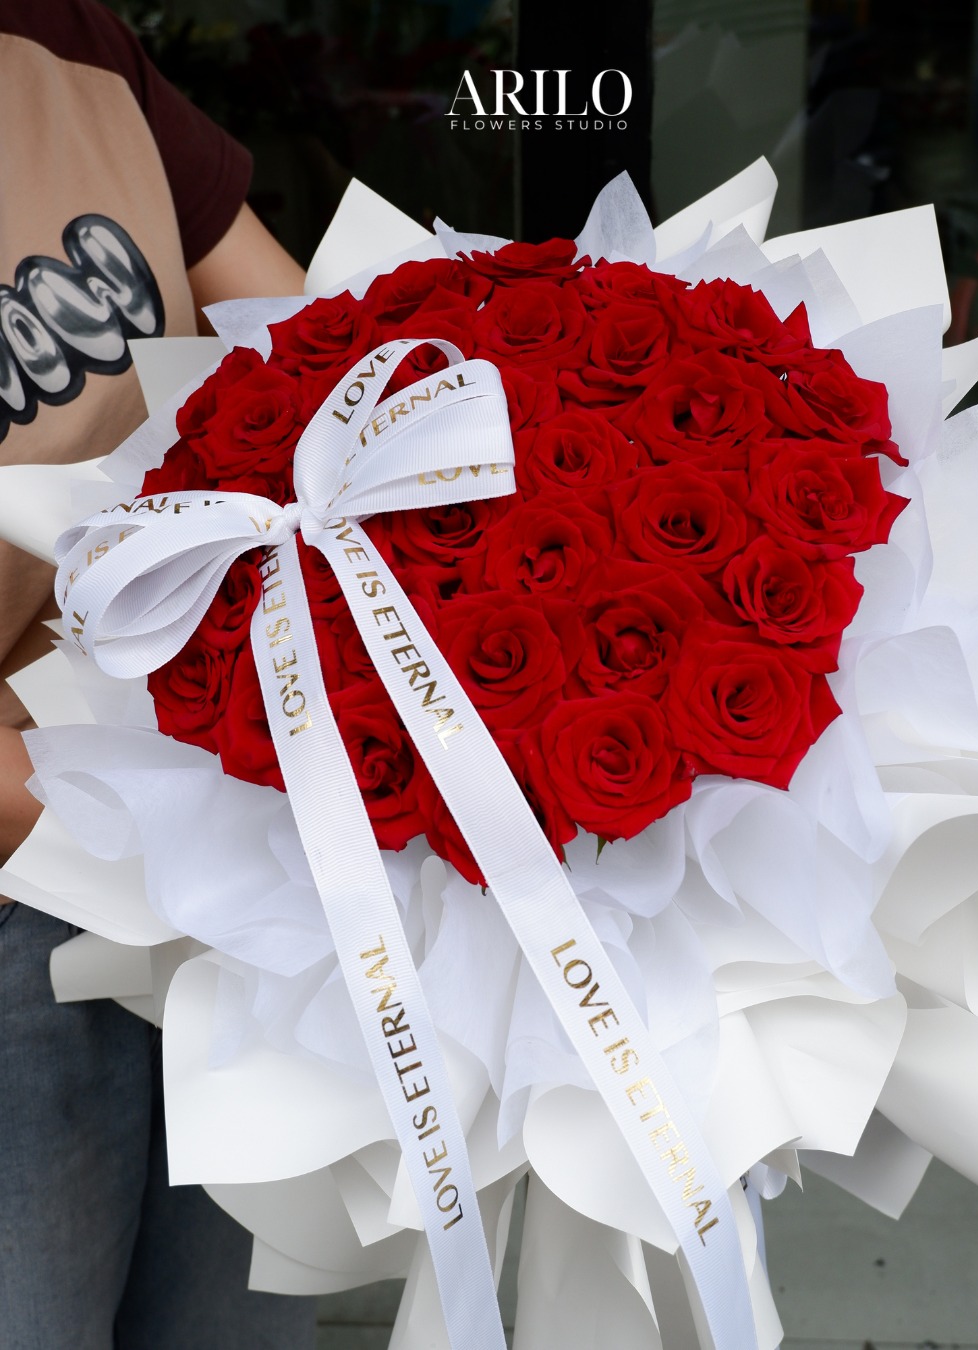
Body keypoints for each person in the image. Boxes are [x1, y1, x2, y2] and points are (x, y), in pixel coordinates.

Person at [0, 3, 317, 1345]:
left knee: (238, 1312)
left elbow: (306, 346)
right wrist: (177, 824)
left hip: (217, 828)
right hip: (59, 867)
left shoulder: (58, 42)